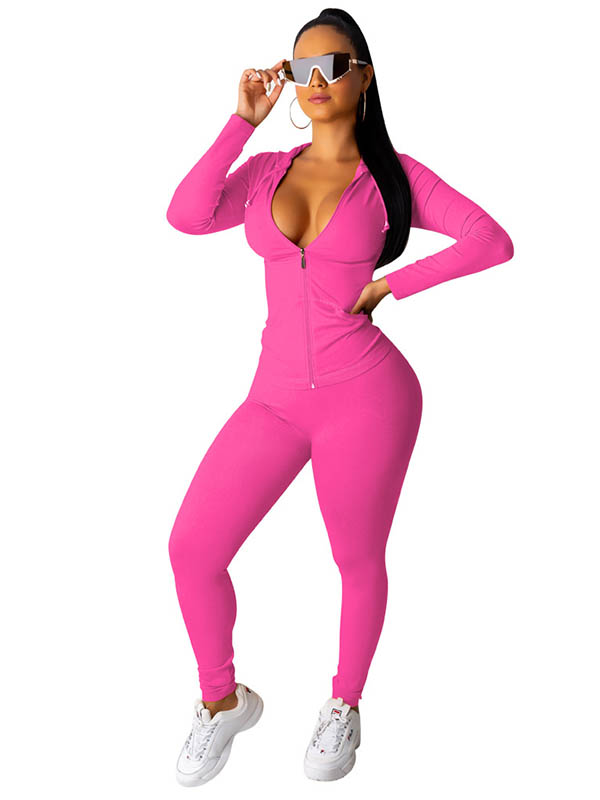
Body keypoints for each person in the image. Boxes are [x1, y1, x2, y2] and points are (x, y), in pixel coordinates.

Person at [165, 10, 514, 786]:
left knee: (354, 558)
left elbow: (490, 240)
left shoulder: (394, 178)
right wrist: (241, 122)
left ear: (364, 76)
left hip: (368, 396)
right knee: (192, 549)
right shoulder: (265, 172)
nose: (315, 82)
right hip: (275, 399)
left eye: (333, 66)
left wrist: (392, 285)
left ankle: (343, 706)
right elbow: (186, 215)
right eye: (302, 69)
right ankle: (223, 702)